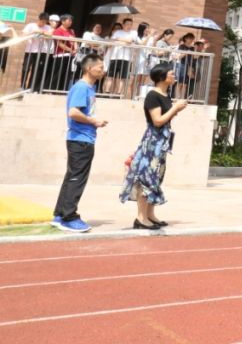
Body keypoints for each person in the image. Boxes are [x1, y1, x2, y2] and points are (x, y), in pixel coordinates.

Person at [119, 63, 188, 228]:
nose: (174, 76)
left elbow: (166, 118)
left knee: (157, 176)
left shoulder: (165, 94)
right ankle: (141, 218)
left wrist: (177, 108)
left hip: (162, 142)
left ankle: (150, 215)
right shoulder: (152, 95)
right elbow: (157, 121)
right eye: (171, 73)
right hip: (152, 142)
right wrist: (175, 108)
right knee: (147, 177)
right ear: (161, 77)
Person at [51, 54, 107, 232]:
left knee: (72, 177)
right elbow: (73, 112)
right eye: (99, 66)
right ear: (89, 68)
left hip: (82, 139)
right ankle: (69, 216)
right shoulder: (82, 87)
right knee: (77, 178)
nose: (102, 69)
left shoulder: (89, 87)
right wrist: (93, 121)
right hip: (80, 140)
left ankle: (60, 214)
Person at [21, 12, 52, 92]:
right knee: (26, 68)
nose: (43, 24)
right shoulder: (31, 26)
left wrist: (42, 32)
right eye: (42, 21)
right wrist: (33, 32)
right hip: (30, 50)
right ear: (39, 19)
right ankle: (22, 86)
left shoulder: (47, 27)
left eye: (45, 22)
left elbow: (50, 35)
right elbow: (23, 35)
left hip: (41, 52)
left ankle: (31, 88)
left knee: (37, 70)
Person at [50, 14, 78, 91]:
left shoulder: (71, 31)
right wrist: (70, 50)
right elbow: (59, 43)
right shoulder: (58, 31)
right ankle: (53, 90)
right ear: (63, 21)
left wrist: (76, 49)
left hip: (70, 55)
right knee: (58, 73)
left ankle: (63, 90)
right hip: (60, 55)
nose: (70, 22)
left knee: (67, 74)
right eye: (69, 20)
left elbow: (75, 40)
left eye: (71, 21)